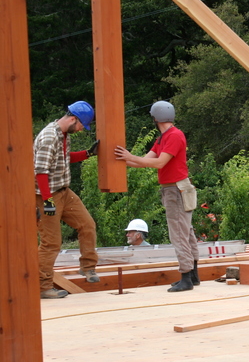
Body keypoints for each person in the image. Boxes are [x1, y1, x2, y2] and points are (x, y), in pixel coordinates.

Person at [114, 101, 200, 292]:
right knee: (186, 232)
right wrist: (121, 158)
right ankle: (193, 276)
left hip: (176, 189)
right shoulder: (163, 138)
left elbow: (160, 163)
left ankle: (186, 277)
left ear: (155, 117)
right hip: (176, 189)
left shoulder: (174, 135)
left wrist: (130, 157)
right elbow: (144, 161)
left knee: (179, 234)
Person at [34, 101, 101, 299]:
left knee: (87, 225)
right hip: (46, 195)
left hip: (64, 191)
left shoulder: (64, 135)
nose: (81, 130)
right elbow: (40, 171)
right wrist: (47, 200)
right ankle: (43, 287)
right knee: (51, 243)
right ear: (73, 119)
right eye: (81, 126)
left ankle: (87, 267)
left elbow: (64, 158)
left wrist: (88, 153)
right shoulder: (48, 137)